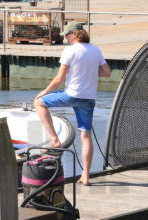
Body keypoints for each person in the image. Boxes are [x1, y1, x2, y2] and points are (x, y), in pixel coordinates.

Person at [34, 22, 111, 186]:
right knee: (86, 137)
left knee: (39, 103)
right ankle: (86, 176)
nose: (66, 38)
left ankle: (55, 140)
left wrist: (44, 92)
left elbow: (59, 79)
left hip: (72, 95)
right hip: (89, 99)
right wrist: (89, 70)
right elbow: (107, 72)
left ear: (74, 34)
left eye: (67, 35)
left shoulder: (69, 51)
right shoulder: (95, 50)